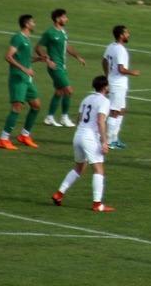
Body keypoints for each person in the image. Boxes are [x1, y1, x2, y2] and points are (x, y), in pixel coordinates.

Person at [50, 75, 116, 212]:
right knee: (99, 169)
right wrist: (104, 141)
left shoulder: (86, 99)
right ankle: (97, 204)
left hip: (78, 135)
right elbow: (100, 120)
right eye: (108, 85)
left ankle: (59, 194)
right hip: (89, 137)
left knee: (79, 168)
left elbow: (79, 118)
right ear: (104, 87)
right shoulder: (104, 101)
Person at [0, 14, 43, 150]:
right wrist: (24, 69)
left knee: (36, 105)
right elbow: (8, 56)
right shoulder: (18, 37)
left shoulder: (27, 39)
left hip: (26, 79)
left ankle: (24, 135)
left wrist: (39, 59)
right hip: (18, 78)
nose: (34, 24)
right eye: (33, 22)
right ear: (27, 24)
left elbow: (26, 59)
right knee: (17, 107)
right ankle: (3, 139)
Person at [37, 8, 86, 128]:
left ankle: (49, 118)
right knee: (69, 90)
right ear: (58, 19)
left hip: (62, 67)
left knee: (59, 92)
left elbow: (67, 46)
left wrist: (78, 57)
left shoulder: (63, 32)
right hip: (55, 67)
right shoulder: (50, 33)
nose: (66, 19)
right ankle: (64, 117)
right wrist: (47, 60)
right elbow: (38, 48)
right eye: (64, 17)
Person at [102, 25, 140, 149]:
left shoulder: (110, 47)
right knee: (114, 112)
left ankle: (115, 138)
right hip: (117, 84)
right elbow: (121, 69)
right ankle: (108, 141)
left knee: (121, 110)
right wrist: (132, 72)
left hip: (116, 83)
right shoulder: (120, 50)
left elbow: (104, 61)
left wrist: (107, 76)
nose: (128, 35)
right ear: (121, 35)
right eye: (126, 33)